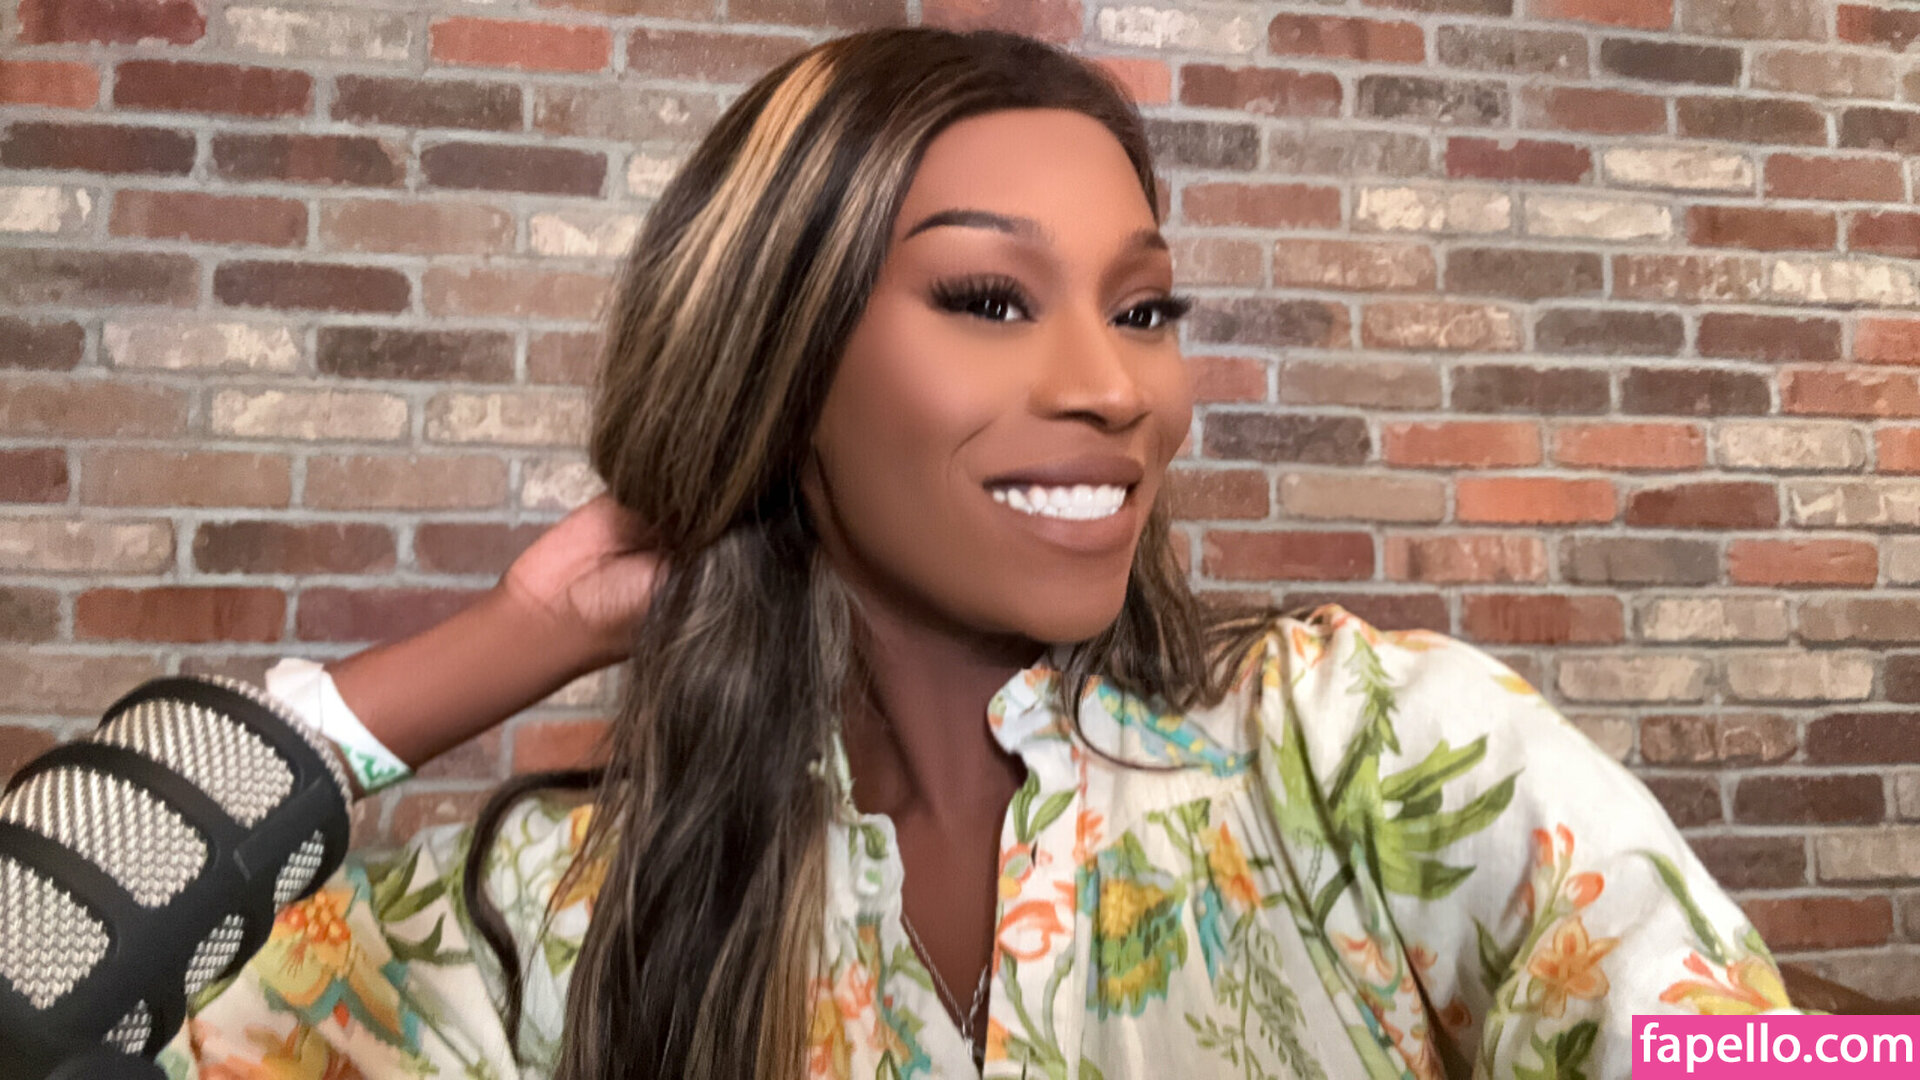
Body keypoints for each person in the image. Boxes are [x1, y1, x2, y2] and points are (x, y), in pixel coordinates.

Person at [150, 26, 1795, 1080]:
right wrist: (514, 634)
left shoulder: (1365, 744)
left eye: (1144, 309)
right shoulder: (567, 912)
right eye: (991, 300)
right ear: (779, 362)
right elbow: (50, 989)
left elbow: (1767, 1055)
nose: (1115, 390)